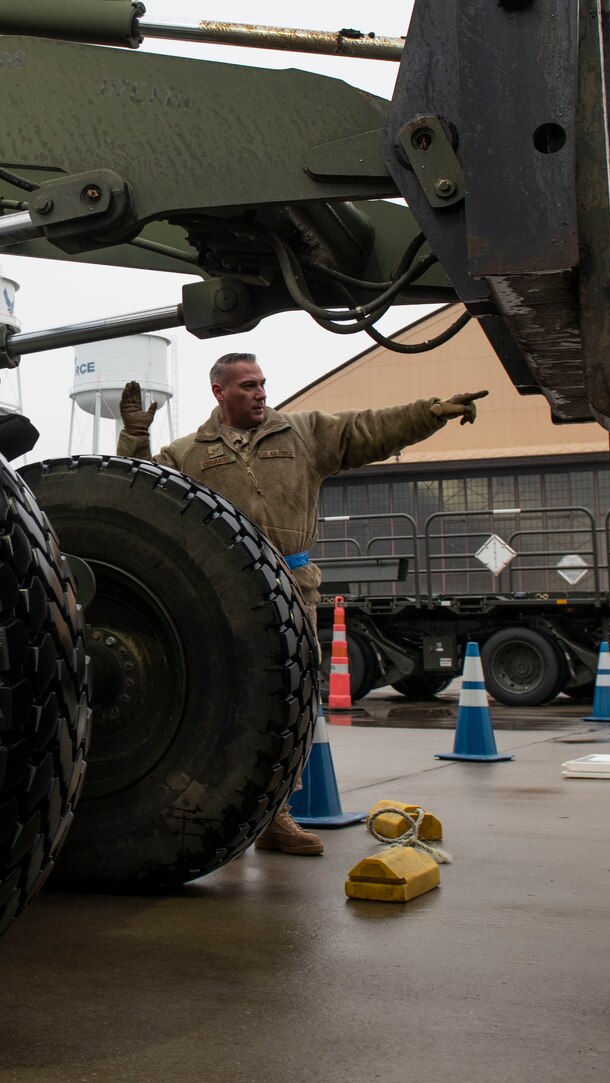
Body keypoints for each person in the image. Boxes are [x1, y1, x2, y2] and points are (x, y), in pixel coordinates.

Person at [118, 352, 487, 855]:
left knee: (286, 705)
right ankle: (212, 818)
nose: (260, 393)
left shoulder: (302, 434)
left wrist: (430, 412)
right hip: (222, 594)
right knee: (219, 707)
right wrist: (134, 437)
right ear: (219, 392)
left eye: (263, 383)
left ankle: (276, 818)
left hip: (292, 586)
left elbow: (368, 429)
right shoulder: (188, 454)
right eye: (248, 385)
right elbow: (143, 491)